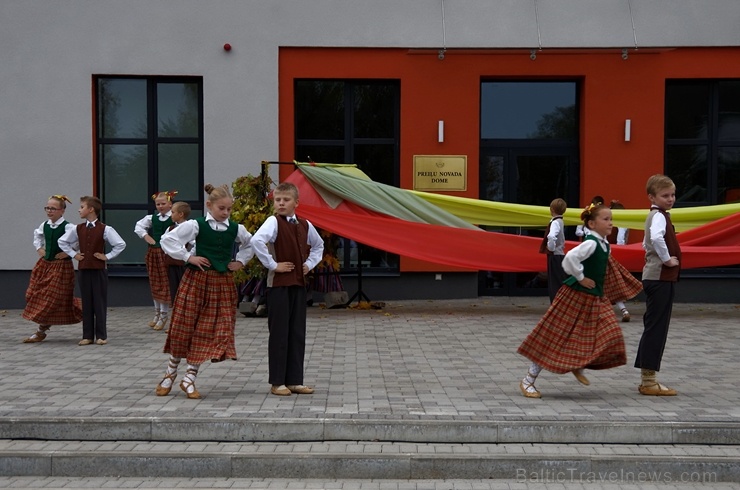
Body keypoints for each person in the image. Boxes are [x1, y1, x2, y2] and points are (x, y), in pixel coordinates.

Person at [517, 203, 626, 398]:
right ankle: (528, 380)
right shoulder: (590, 243)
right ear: (591, 224)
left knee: (608, 332)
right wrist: (581, 277)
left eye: (611, 219)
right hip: (574, 296)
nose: (610, 223)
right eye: (606, 219)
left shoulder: (604, 244)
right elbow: (569, 259)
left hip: (594, 298)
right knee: (554, 336)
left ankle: (577, 362)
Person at [156, 184, 253, 399]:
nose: (226, 213)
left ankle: (189, 377)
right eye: (221, 208)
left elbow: (251, 244)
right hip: (196, 281)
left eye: (229, 209)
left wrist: (240, 261)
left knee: (208, 330)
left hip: (222, 284)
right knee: (184, 326)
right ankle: (170, 373)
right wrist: (188, 257)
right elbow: (168, 239)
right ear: (209, 206)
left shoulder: (236, 228)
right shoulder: (196, 225)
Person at [251, 182, 324, 396]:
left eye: (286, 200)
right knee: (280, 333)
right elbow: (257, 241)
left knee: (296, 332)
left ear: (296, 203)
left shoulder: (305, 224)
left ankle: (294, 380)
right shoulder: (273, 222)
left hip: (298, 284)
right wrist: (273, 265)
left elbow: (318, 246)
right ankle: (277, 382)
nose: (281, 203)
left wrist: (309, 264)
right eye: (277, 200)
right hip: (279, 286)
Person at [634, 174, 681, 396]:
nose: (670, 199)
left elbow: (646, 242)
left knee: (653, 326)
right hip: (660, 278)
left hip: (655, 277)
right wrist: (666, 259)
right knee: (657, 328)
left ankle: (647, 378)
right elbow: (656, 238)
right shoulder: (659, 217)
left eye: (672, 194)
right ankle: (649, 381)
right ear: (652, 197)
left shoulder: (655, 215)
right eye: (665, 195)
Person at [58, 196, 126, 346]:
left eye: (82, 207)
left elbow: (120, 244)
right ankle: (87, 335)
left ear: (91, 210)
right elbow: (62, 241)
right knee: (87, 302)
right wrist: (74, 254)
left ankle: (101, 335)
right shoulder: (78, 228)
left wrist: (107, 256)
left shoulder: (105, 229)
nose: (79, 209)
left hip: (98, 270)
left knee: (99, 302)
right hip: (83, 270)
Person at [21, 195, 83, 343]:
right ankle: (82, 307)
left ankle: (40, 331)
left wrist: (69, 252)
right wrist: (39, 249)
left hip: (61, 267)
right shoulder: (44, 225)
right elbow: (38, 237)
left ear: (62, 211)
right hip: (44, 265)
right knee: (32, 294)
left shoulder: (69, 227)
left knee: (52, 298)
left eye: (53, 208)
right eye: (47, 208)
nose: (49, 211)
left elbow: (81, 240)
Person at [134, 191, 175, 330]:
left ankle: (164, 315)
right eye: (158, 204)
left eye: (163, 203)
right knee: (154, 282)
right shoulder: (152, 218)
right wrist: (146, 237)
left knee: (164, 284)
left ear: (170, 204)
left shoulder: (174, 218)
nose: (160, 206)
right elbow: (138, 227)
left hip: (167, 254)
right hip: (154, 252)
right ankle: (157, 314)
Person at [161, 201, 192, 330]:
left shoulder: (190, 228)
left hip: (184, 266)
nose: (171, 214)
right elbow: (164, 241)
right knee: (174, 294)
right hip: (172, 265)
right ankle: (175, 323)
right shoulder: (170, 228)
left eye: (173, 212)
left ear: (181, 214)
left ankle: (185, 323)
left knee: (184, 294)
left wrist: (187, 256)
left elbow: (194, 244)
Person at [607, 200, 635, 322]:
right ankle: (623, 310)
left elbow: (620, 240)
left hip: (610, 255)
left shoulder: (606, 224)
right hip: (614, 254)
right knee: (613, 284)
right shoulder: (622, 222)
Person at [539, 198, 568, 303]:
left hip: (555, 255)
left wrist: (550, 248)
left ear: (552, 209)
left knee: (555, 282)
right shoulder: (560, 221)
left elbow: (552, 236)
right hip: (559, 255)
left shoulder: (556, 222)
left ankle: (557, 304)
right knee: (558, 280)